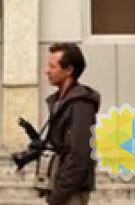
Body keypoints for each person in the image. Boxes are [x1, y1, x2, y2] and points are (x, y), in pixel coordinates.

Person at [43, 43, 100, 205]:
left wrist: (59, 194)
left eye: (52, 66)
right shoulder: (59, 101)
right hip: (60, 186)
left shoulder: (81, 104)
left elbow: (80, 154)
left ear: (69, 70)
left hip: (71, 191)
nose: (47, 71)